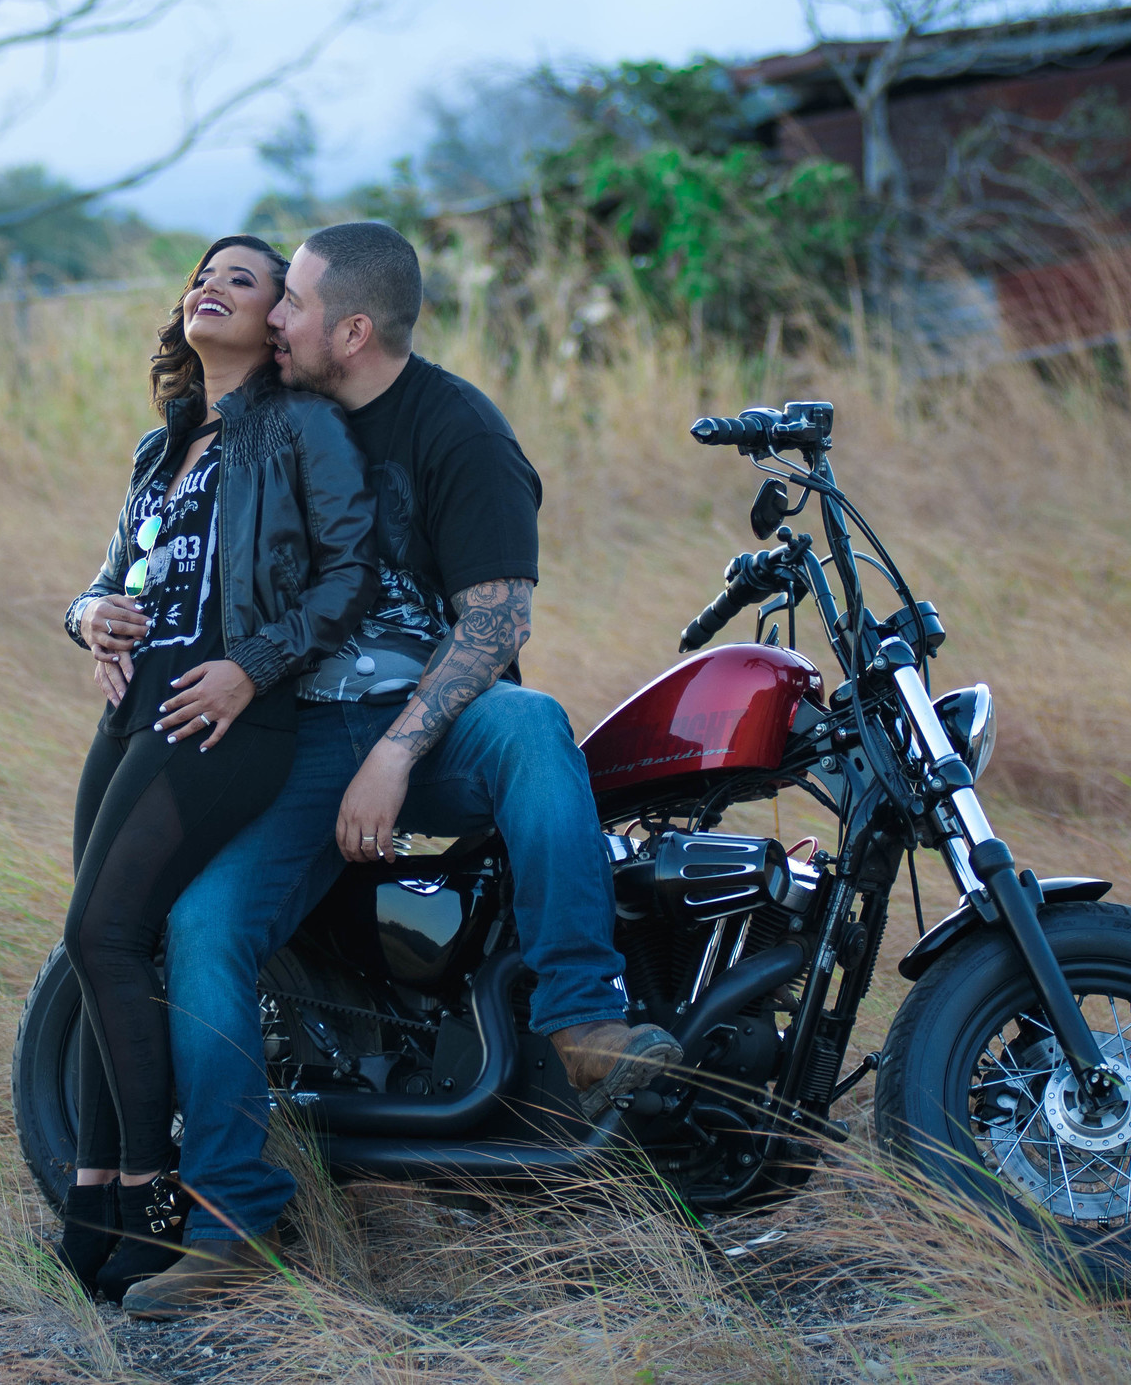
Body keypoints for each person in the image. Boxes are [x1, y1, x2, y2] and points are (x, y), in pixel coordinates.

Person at [121, 221, 680, 1320]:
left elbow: (496, 622)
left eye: (293, 302)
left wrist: (392, 752)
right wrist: (101, 613)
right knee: (203, 925)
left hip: (429, 725)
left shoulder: (456, 430)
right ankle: (232, 1220)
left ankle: (583, 1022)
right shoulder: (275, 415)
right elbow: (169, 537)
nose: (276, 317)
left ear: (353, 331)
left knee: (531, 722)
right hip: (293, 735)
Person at [50, 235, 377, 1301]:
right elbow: (107, 578)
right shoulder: (161, 447)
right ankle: (92, 1204)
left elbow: (349, 575)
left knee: (103, 935)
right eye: (203, 274)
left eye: (242, 278)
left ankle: (152, 1201)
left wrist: (254, 666)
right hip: (132, 717)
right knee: (106, 948)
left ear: (278, 319)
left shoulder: (299, 427)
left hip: (226, 715)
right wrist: (89, 615)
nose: (211, 287)